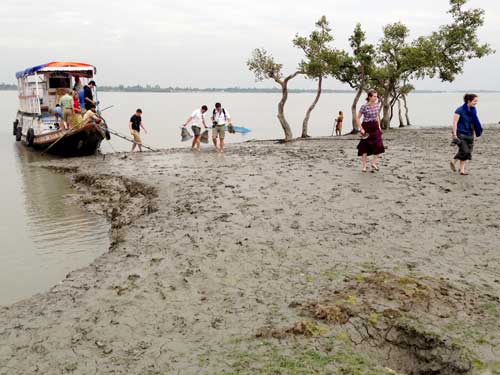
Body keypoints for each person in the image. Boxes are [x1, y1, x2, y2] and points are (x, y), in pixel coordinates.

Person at [450, 93, 483, 175]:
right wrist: (454, 135)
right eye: (475, 101)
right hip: (460, 133)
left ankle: (462, 170)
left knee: (467, 152)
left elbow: (474, 122)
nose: (476, 103)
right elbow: (455, 123)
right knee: (465, 151)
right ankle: (454, 161)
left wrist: (476, 131)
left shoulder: (473, 110)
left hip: (470, 134)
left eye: (476, 101)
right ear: (469, 101)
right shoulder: (459, 110)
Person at [356, 90, 385, 172]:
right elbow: (357, 118)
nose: (376, 98)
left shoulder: (377, 105)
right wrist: (361, 128)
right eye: (374, 96)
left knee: (379, 145)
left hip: (375, 126)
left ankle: (373, 163)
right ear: (369, 97)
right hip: (366, 126)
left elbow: (377, 116)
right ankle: (364, 167)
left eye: (376, 96)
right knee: (364, 147)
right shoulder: (364, 106)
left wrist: (379, 126)